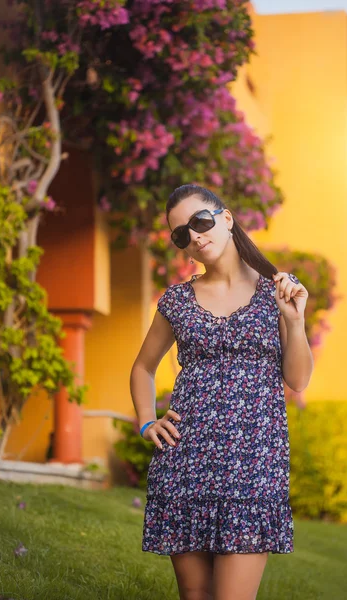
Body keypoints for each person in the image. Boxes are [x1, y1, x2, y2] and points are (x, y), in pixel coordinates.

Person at [130, 184, 314, 600]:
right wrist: (146, 422)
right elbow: (142, 367)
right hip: (185, 462)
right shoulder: (176, 301)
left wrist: (295, 322)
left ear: (226, 219)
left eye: (200, 221)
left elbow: (298, 380)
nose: (194, 236)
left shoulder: (279, 290)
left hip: (253, 466)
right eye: (182, 234)